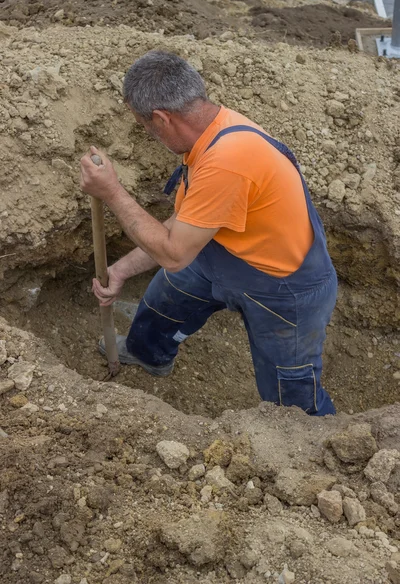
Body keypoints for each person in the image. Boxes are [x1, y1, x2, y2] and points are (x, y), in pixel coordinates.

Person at [80, 50, 338, 416]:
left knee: (289, 396)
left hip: (284, 288)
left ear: (160, 118)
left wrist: (112, 193)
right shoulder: (210, 134)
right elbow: (184, 225)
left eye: (144, 126)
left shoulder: (227, 160)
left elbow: (174, 252)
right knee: (164, 300)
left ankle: (315, 446)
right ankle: (148, 355)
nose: (147, 134)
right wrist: (121, 270)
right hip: (221, 255)